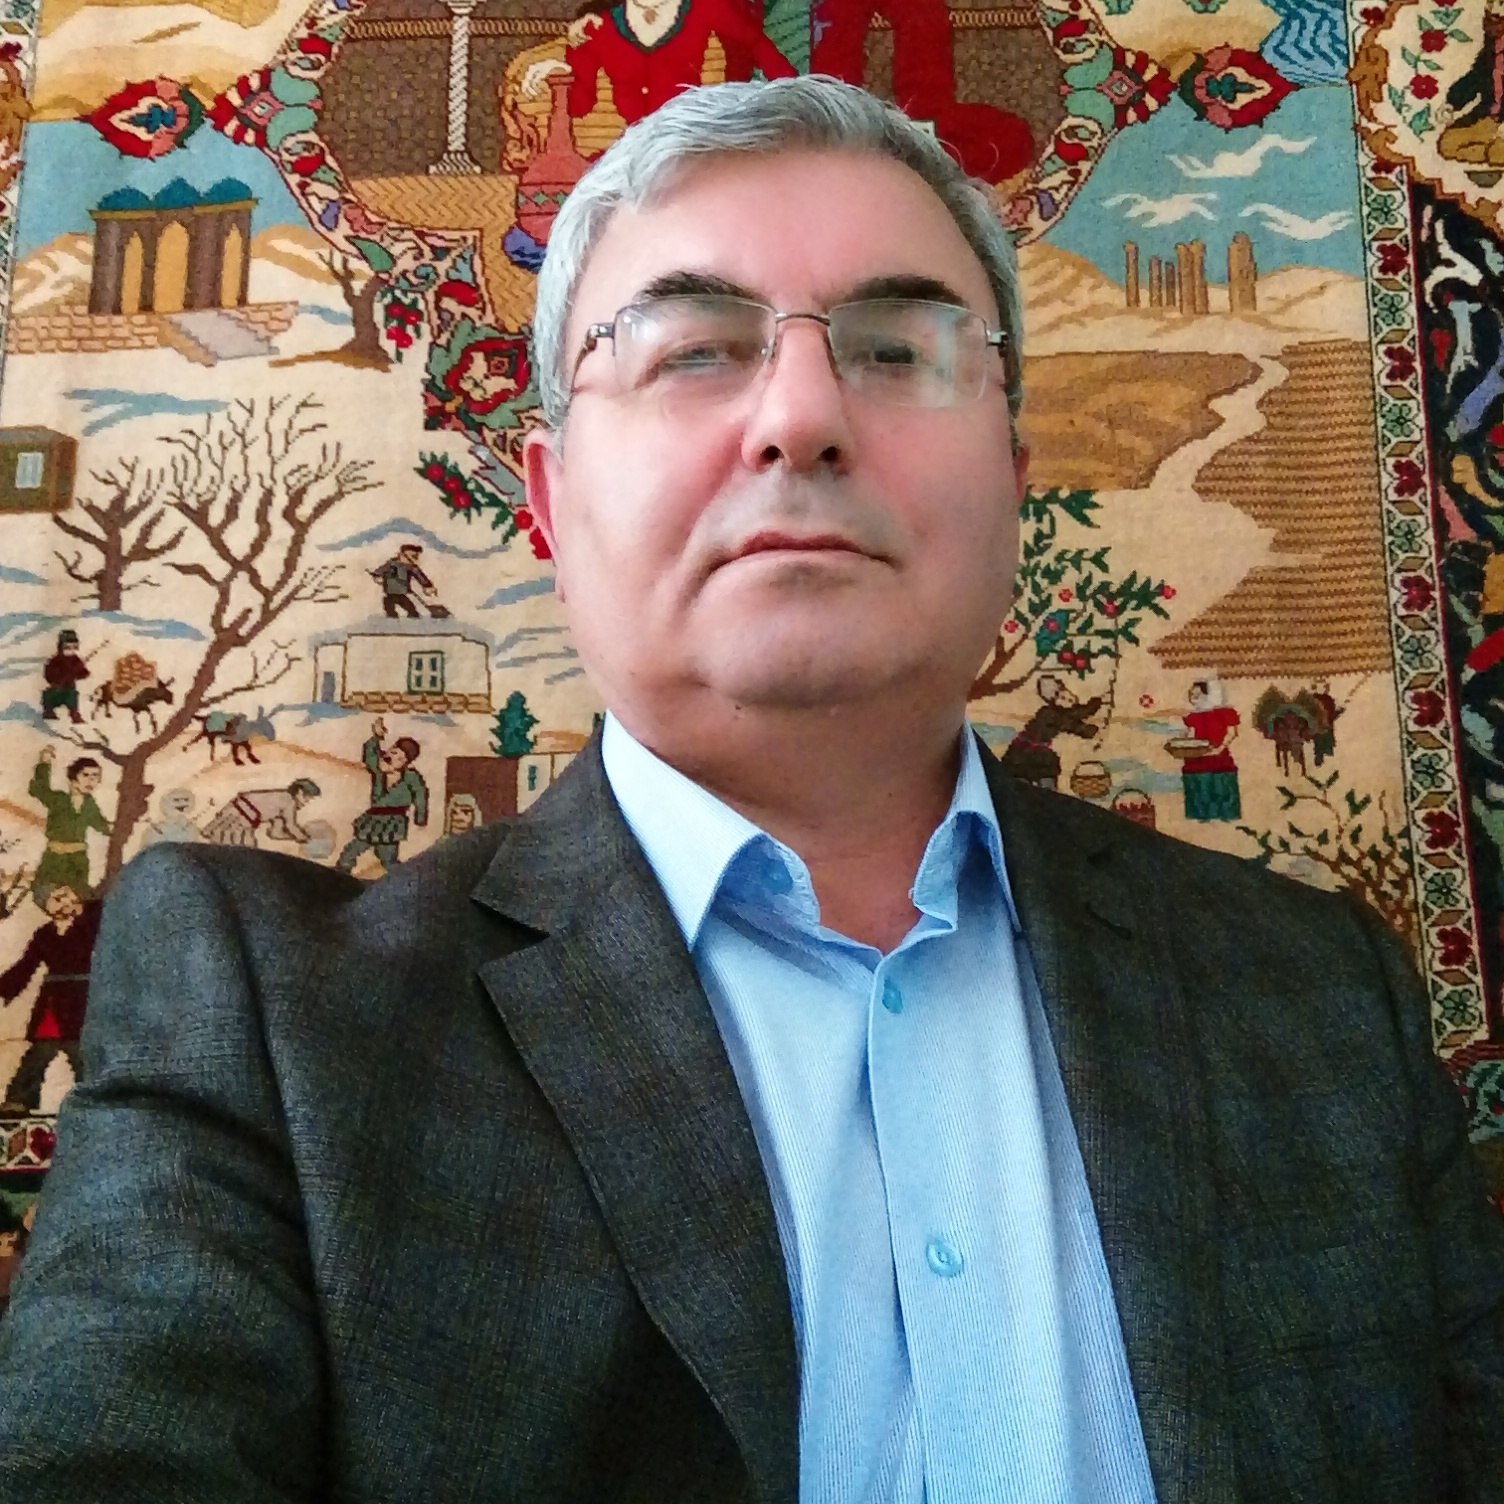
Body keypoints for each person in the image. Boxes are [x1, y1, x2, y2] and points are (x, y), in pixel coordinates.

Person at [1, 76, 1501, 1504]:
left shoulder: (1322, 998)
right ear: (550, 503)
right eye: (693, 350)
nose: (801, 416)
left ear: (1014, 477)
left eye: (896, 349)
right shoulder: (275, 1025)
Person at [0, 884, 102, 1116]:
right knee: (40, 1051)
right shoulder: (44, 934)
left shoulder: (88, 926)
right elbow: (26, 966)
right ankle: (19, 1100)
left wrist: (84, 909)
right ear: (45, 906)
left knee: (81, 1052)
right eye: (56, 899)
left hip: (81, 999)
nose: (64, 902)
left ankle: (96, 1099)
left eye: (67, 895)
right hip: (52, 1001)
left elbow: (99, 909)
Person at [335, 719, 428, 874]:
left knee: (388, 858)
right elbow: (370, 755)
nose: (389, 757)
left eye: (397, 756)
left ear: (405, 762)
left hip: (393, 822)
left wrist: (421, 818)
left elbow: (421, 795)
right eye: (391, 752)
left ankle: (402, 878)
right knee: (352, 850)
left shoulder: (411, 777)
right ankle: (340, 873)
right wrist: (376, 737)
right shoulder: (379, 772)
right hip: (373, 820)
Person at [27, 745, 110, 902]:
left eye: (96, 776)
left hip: (77, 861)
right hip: (54, 858)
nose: (91, 780)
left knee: (78, 898)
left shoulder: (90, 804)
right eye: (86, 775)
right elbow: (39, 789)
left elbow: (102, 825)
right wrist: (44, 763)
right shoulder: (59, 799)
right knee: (45, 895)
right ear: (73, 777)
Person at [369, 542, 436, 618]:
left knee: (412, 610)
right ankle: (392, 619)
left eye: (415, 557)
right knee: (390, 610)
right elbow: (380, 571)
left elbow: (420, 577)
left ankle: (413, 616)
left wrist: (427, 585)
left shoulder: (411, 568)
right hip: (390, 594)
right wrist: (377, 575)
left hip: (402, 594)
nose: (413, 560)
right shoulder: (391, 564)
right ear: (401, 555)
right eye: (412, 557)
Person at [38, 629, 89, 724]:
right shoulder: (55, 661)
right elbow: (48, 674)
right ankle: (48, 711)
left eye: (74, 647)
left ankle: (74, 714)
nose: (71, 650)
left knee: (73, 697)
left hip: (69, 688)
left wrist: (81, 673)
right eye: (67, 647)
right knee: (49, 696)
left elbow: (82, 673)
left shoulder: (76, 661)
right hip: (56, 687)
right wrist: (57, 679)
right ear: (61, 647)